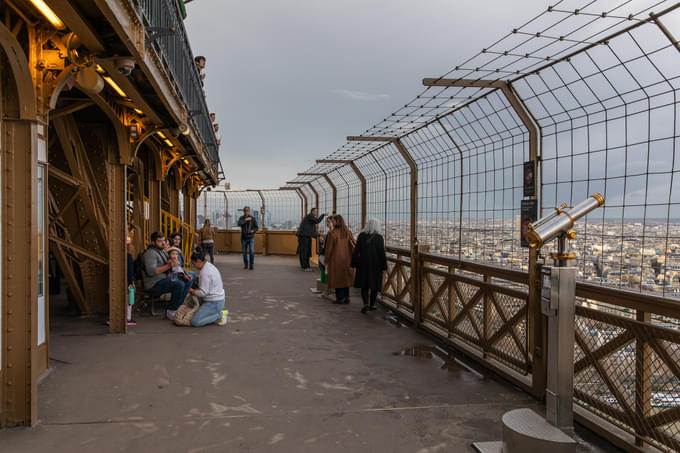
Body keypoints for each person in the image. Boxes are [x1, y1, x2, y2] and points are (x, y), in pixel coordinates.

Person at [142, 231, 192, 320]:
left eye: (164, 240)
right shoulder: (150, 253)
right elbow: (151, 272)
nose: (163, 243)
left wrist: (182, 274)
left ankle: (177, 306)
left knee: (188, 281)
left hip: (164, 278)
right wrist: (169, 265)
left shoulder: (161, 251)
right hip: (154, 283)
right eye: (159, 241)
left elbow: (170, 265)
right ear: (153, 242)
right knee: (179, 285)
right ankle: (171, 310)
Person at [351, 218, 388, 314]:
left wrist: (353, 263)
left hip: (363, 264)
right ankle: (372, 304)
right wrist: (384, 266)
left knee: (364, 285)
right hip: (375, 265)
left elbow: (356, 251)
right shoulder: (379, 238)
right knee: (374, 285)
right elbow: (381, 253)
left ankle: (365, 304)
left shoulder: (361, 236)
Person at [189, 249, 226, 327]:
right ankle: (208, 312)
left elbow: (203, 292)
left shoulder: (205, 272)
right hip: (215, 299)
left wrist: (193, 291)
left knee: (195, 321)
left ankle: (219, 316)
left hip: (214, 302)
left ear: (198, 261)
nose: (194, 266)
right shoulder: (208, 265)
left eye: (194, 264)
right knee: (190, 301)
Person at [325, 215, 355, 304]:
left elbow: (329, 249)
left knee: (337, 278)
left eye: (333, 220)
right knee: (345, 278)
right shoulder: (348, 232)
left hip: (336, 259)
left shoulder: (332, 233)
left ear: (337, 222)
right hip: (347, 259)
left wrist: (326, 260)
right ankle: (347, 297)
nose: (332, 222)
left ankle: (340, 298)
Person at [318, 216, 334, 298]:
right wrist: (323, 241)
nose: (327, 223)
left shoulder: (332, 233)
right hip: (328, 256)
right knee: (326, 273)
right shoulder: (330, 232)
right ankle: (327, 290)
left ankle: (326, 291)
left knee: (326, 273)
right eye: (326, 222)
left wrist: (323, 242)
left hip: (328, 256)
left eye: (329, 222)